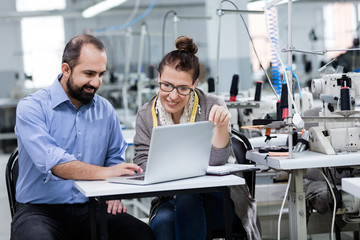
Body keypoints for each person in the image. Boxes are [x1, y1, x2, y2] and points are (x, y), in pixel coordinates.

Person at [11, 34, 154, 240]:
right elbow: (55, 163)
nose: (96, 82)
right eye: (89, 73)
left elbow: (114, 157)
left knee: (142, 235)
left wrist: (114, 191)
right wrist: (106, 173)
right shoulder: (32, 108)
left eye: (100, 74)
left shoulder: (105, 110)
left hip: (89, 207)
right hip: (39, 211)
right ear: (66, 69)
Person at [133, 36, 261, 240]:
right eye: (166, 85)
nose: (173, 95)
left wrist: (221, 127)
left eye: (182, 88)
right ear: (158, 77)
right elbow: (140, 162)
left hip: (220, 199)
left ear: (194, 84)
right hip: (170, 198)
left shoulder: (212, 105)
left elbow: (217, 161)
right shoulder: (146, 114)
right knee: (163, 224)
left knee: (189, 194)